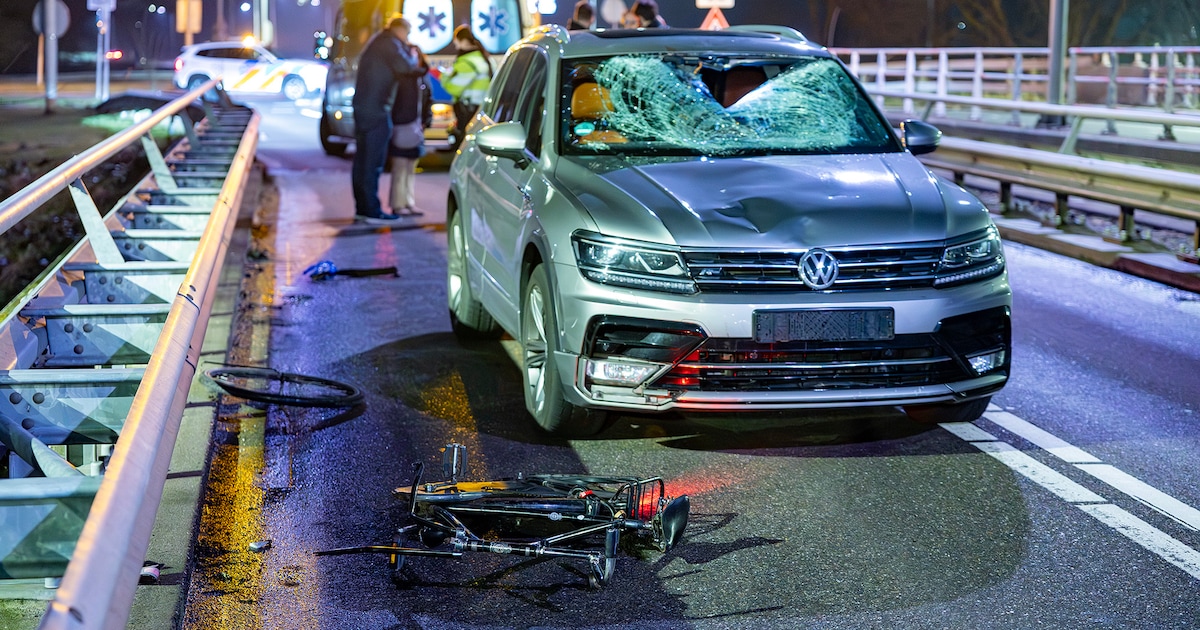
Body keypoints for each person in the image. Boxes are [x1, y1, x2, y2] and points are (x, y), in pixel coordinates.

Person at [351, 16, 427, 224]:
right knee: (372, 163)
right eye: (407, 34)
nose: (407, 39)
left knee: (362, 161)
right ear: (400, 30)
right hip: (377, 110)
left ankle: (363, 208)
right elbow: (406, 66)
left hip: (365, 108)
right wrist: (413, 56)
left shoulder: (379, 42)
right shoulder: (390, 44)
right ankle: (371, 211)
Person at [389, 47, 433, 216]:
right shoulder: (401, 78)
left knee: (410, 168)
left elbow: (428, 101)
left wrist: (426, 121)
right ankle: (398, 204)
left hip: (416, 128)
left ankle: (408, 202)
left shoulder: (423, 78)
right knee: (400, 168)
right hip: (402, 127)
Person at [442, 25, 492, 149]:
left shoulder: (467, 62)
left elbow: (454, 88)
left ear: (463, 41)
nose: (456, 47)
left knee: (465, 145)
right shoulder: (486, 58)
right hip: (483, 108)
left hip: (468, 109)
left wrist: (444, 76)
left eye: (456, 43)